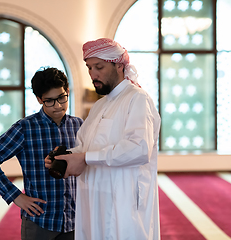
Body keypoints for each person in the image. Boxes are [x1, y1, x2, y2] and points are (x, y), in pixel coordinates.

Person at [45, 38, 161, 240]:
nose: (92, 74)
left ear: (118, 65)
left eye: (99, 67)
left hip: (123, 202)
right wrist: (66, 158)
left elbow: (140, 148)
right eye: (89, 68)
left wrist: (86, 158)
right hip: (94, 199)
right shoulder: (99, 106)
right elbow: (84, 147)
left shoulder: (137, 99)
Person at [0, 67, 83, 240]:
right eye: (49, 101)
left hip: (75, 220)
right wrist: (16, 196)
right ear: (39, 99)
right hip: (40, 220)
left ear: (68, 92)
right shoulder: (25, 128)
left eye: (61, 98)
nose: (58, 105)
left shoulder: (79, 125)